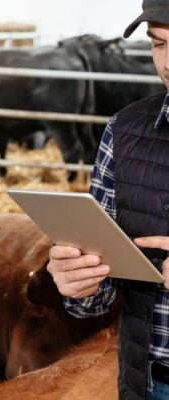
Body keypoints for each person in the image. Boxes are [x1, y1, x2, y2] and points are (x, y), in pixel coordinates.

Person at [47, 1, 169, 399]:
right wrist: (79, 283)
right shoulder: (123, 131)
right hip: (150, 381)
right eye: (160, 44)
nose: (168, 63)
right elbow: (100, 296)